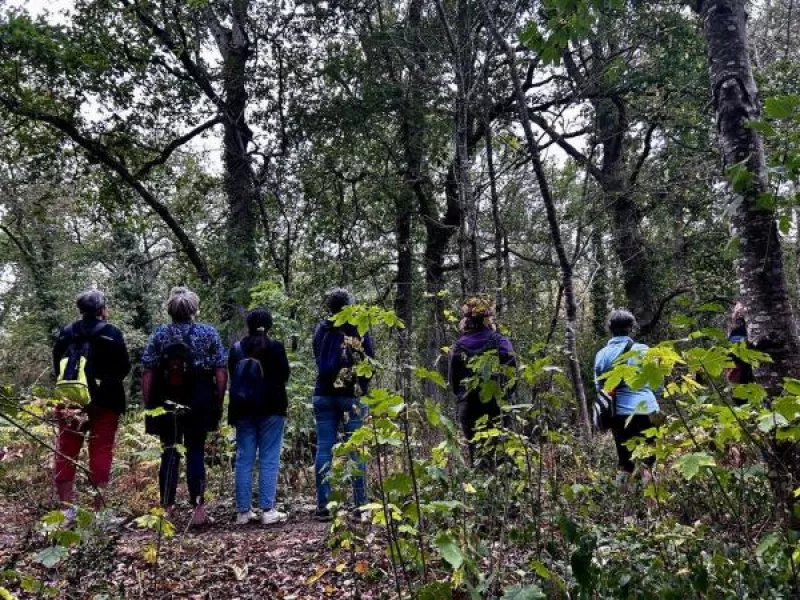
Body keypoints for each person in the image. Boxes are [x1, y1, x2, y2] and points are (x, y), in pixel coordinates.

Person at [141, 287, 227, 526]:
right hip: (199, 397)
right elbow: (221, 371)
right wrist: (217, 401)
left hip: (166, 398)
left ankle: (166, 508)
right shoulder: (208, 333)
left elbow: (148, 371)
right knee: (196, 451)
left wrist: (149, 404)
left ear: (170, 310)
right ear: (194, 309)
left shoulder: (159, 335)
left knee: (169, 451)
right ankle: (198, 510)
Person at [52, 289, 131, 518]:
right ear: (101, 310)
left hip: (70, 399)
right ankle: (99, 512)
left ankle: (65, 510)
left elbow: (58, 365)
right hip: (106, 400)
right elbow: (123, 367)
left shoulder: (66, 332)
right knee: (101, 450)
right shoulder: (112, 333)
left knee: (66, 450)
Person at [312, 288, 374, 521]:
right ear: (349, 305)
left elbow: (317, 357)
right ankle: (360, 506)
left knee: (324, 447)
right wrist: (362, 386)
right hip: (351, 396)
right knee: (355, 448)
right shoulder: (358, 327)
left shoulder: (321, 328)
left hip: (323, 393)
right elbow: (369, 361)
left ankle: (323, 506)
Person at [228, 308, 290, 526]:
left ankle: (243, 512)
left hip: (243, 410)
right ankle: (267, 510)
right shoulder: (276, 348)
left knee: (244, 459)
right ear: (269, 325)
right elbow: (284, 376)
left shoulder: (236, 349)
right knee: (269, 458)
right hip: (272, 409)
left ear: (248, 325)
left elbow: (231, 378)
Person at [448, 296, 517, 463]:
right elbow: (512, 373)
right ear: (488, 318)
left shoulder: (458, 347)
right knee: (502, 456)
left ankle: (481, 487)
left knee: (478, 457)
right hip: (497, 406)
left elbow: (453, 381)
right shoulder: (501, 342)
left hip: (469, 408)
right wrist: (507, 395)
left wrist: (462, 397)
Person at [594, 309, 660, 480]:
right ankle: (652, 507)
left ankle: (624, 505)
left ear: (610, 328)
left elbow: (600, 387)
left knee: (625, 464)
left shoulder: (601, 355)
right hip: (648, 410)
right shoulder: (644, 350)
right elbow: (656, 383)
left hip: (620, 414)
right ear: (631, 327)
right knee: (649, 462)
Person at [726, 302, 754, 388]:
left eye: (741, 311)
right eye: (737, 312)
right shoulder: (734, 330)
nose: (739, 314)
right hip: (741, 370)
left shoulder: (749, 326)